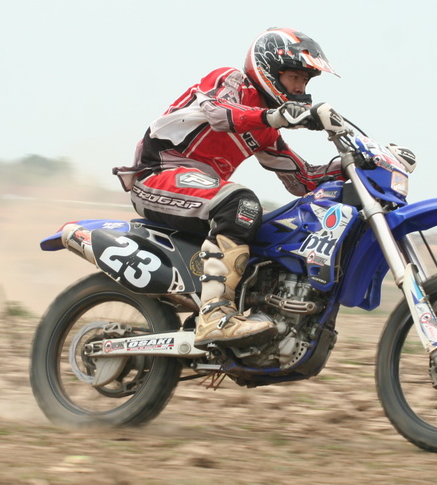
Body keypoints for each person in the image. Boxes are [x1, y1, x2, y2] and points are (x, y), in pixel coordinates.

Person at [114, 27, 342, 350]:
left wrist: (355, 165)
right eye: (294, 77)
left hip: (200, 195)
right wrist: (273, 116)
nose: (300, 88)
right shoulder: (231, 81)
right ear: (269, 70)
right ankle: (214, 315)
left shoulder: (265, 131)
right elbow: (218, 113)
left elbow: (302, 180)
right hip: (157, 174)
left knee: (275, 228)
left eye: (305, 81)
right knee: (241, 203)